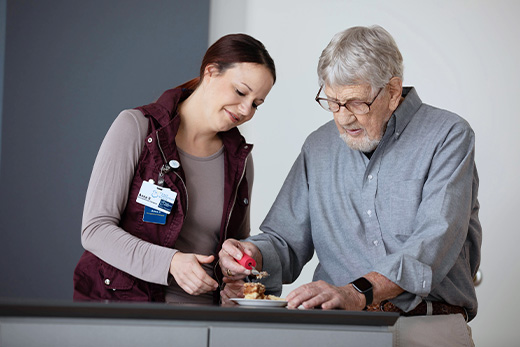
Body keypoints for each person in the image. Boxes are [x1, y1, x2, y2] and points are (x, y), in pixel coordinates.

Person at [219, 26, 480, 346]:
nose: (342, 118)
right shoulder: (318, 147)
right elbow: (285, 242)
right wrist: (253, 254)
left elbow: (433, 242)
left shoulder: (448, 135)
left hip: (426, 329)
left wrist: (358, 291)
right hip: (338, 331)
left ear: (393, 91)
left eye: (356, 103)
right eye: (332, 102)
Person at [73, 33, 276, 304]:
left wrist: (235, 277)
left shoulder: (240, 160)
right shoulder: (136, 127)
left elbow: (235, 248)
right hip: (127, 311)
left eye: (256, 104)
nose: (245, 110)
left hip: (208, 323)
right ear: (211, 71)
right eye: (240, 92)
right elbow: (95, 230)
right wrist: (170, 262)